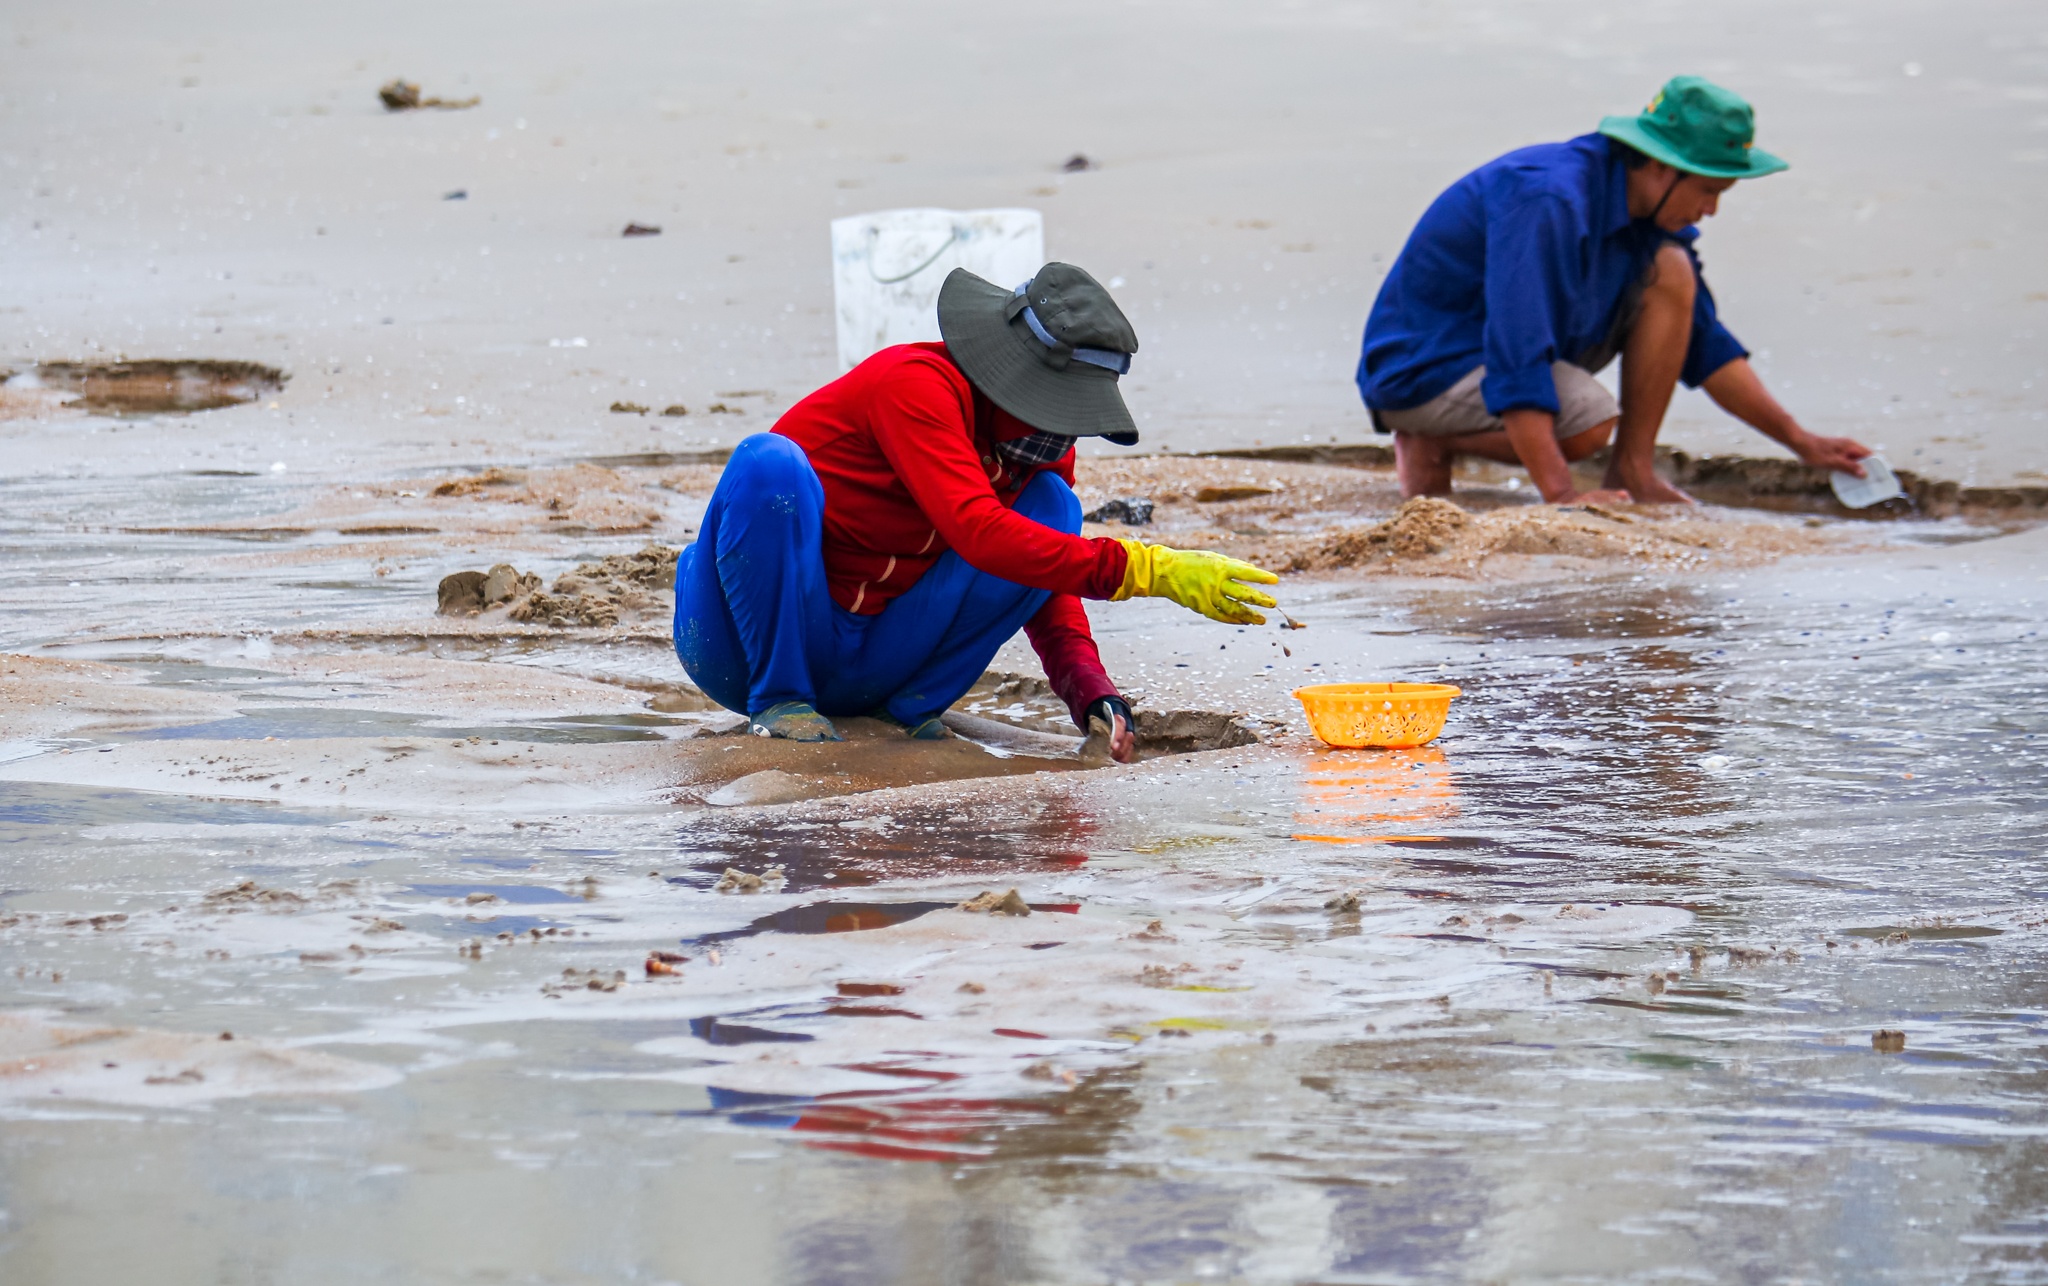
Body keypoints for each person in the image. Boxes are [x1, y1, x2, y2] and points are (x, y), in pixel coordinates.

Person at [673, 263, 1279, 762]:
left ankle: (904, 711)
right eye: (1054, 408)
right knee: (766, 464)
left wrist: (1089, 690)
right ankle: (780, 701)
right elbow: (980, 531)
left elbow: (1042, 567)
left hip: (876, 663)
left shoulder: (1041, 450)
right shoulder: (913, 385)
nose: (1062, 435)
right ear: (1005, 377)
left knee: (1053, 507)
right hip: (742, 649)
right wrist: (1146, 569)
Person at [1356, 75, 1871, 505]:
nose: (1712, 209)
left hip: (1493, 360)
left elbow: (1703, 345)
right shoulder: (1549, 199)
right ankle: (1428, 437)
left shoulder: (1647, 216)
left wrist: (1801, 441)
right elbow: (1518, 348)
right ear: (1661, 166)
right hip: (1423, 369)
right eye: (1709, 190)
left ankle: (1633, 471)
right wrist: (1561, 495)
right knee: (1588, 423)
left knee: (1672, 272)